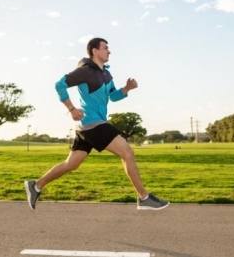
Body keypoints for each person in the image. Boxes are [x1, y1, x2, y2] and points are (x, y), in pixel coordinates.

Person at [24, 37, 169, 211]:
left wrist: (126, 89)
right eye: (105, 48)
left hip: (88, 126)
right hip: (93, 124)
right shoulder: (85, 71)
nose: (109, 51)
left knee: (71, 164)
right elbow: (59, 85)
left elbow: (113, 96)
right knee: (128, 153)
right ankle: (144, 198)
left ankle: (36, 186)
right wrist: (71, 109)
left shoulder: (106, 74)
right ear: (95, 51)